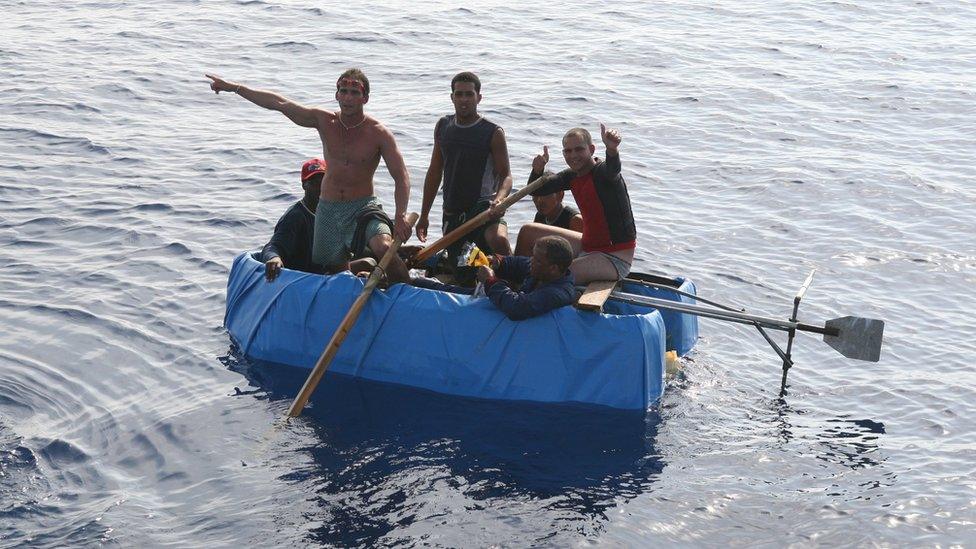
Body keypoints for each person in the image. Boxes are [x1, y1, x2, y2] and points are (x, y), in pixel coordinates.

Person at [206, 69, 413, 282]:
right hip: (328, 209)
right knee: (334, 271)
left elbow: (401, 176)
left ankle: (409, 294)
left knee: (384, 247)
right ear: (337, 95)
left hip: (363, 207)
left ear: (365, 98)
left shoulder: (379, 133)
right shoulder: (325, 121)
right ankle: (362, 280)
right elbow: (279, 103)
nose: (348, 98)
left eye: (354, 92)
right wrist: (233, 88)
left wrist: (400, 216)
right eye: (343, 91)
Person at [416, 71, 513, 263]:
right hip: (453, 213)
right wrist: (424, 215)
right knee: (467, 266)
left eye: (469, 94)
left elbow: (506, 176)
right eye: (459, 94)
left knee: (498, 240)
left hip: (484, 210)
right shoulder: (444, 126)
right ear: (452, 97)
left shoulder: (492, 132)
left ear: (479, 97)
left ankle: (516, 276)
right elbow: (435, 172)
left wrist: (500, 200)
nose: (464, 99)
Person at [525, 124, 636, 284]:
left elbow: (613, 169)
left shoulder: (603, 173)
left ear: (591, 149)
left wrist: (612, 150)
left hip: (615, 256)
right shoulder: (572, 176)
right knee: (527, 232)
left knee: (552, 275)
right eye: (568, 151)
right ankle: (515, 285)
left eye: (579, 149)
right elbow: (538, 190)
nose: (573, 156)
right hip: (588, 246)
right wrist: (537, 170)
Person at [410, 236, 576, 320]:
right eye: (532, 256)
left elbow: (517, 307)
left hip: (511, 312)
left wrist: (490, 281)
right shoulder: (541, 271)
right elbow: (517, 264)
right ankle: (412, 283)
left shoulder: (557, 293)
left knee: (446, 292)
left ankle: (408, 285)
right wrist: (495, 262)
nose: (531, 261)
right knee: (427, 285)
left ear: (554, 268)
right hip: (501, 299)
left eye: (537, 260)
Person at [261, 158, 325, 281]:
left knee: (368, 262)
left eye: (323, 181)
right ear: (304, 185)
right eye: (315, 183)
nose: (320, 187)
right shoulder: (295, 216)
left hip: (327, 275)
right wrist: (274, 258)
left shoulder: (332, 214)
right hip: (302, 281)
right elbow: (273, 246)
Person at [513, 171, 583, 256]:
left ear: (560, 195)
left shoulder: (575, 220)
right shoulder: (540, 216)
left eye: (546, 195)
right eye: (535, 196)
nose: (539, 200)